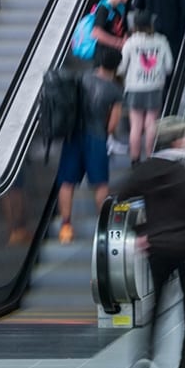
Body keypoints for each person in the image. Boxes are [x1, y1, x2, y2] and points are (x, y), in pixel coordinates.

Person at [119, 117, 185, 368]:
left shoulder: (144, 171)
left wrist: (140, 232)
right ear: (178, 140)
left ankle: (145, 356)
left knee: (154, 308)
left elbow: (120, 200)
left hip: (157, 248)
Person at [56, 49, 123, 244]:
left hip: (73, 136)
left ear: (100, 62)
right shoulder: (114, 90)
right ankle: (104, 229)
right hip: (96, 138)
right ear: (117, 67)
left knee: (67, 182)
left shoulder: (81, 78)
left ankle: (65, 227)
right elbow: (112, 124)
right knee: (100, 184)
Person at [117, 10, 174, 165]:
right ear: (151, 24)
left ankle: (135, 161)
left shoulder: (130, 42)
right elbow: (169, 67)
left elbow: (122, 67)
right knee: (151, 124)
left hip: (134, 88)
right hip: (155, 88)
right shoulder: (162, 41)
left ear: (135, 25)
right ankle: (150, 158)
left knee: (135, 126)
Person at [91, 0, 132, 68]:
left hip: (115, 57)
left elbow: (123, 29)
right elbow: (96, 33)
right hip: (103, 59)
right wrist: (119, 43)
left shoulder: (121, 7)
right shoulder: (104, 7)